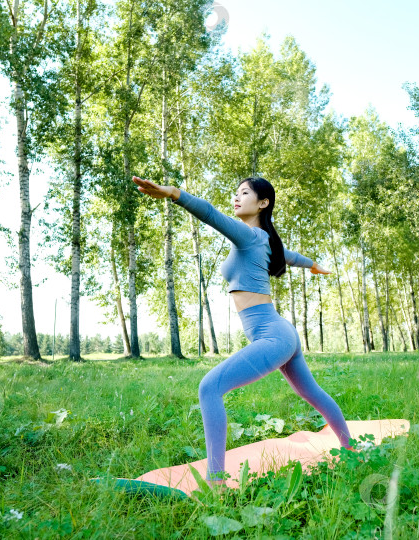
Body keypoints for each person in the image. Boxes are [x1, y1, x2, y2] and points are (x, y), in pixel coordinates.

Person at [132, 175, 356, 490]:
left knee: (209, 389)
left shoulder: (250, 236)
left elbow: (210, 214)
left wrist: (173, 193)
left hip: (273, 335)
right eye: (235, 193)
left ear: (263, 203)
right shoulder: (264, 240)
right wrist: (313, 264)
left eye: (245, 193)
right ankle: (352, 450)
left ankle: (216, 483)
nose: (236, 198)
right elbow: (288, 257)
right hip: (280, 332)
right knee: (311, 393)